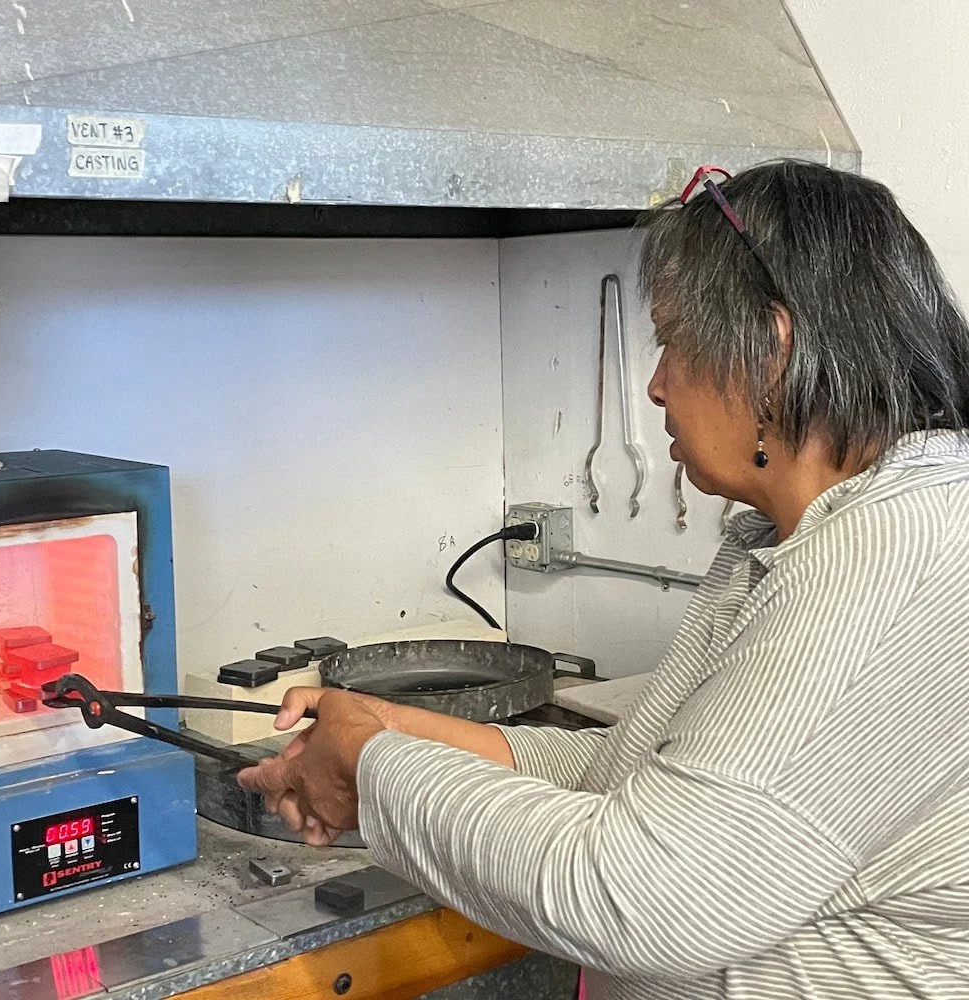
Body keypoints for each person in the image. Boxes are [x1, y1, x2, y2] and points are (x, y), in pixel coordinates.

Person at [239, 160, 969, 999]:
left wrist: (365, 763)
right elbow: (621, 778)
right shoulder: (803, 537)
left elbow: (645, 895)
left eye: (672, 340)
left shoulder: (901, 560)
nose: (656, 384)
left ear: (771, 353)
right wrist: (383, 728)